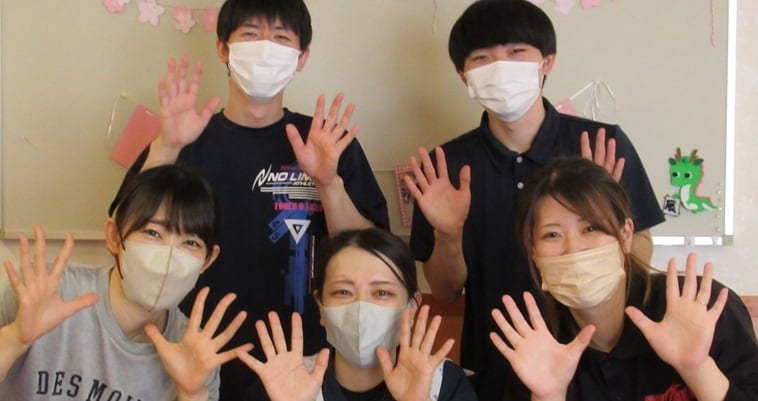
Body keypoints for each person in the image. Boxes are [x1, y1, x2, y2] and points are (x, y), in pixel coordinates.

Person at [109, 1, 389, 399]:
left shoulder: (326, 143)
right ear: (223, 48)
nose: (265, 48)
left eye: (281, 37)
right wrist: (166, 146)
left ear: (302, 57)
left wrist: (328, 184)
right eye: (251, 35)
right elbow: (122, 235)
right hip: (188, 354)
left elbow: (377, 257)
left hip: (304, 361)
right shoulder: (184, 137)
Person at [404, 1, 664, 399]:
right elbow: (444, 291)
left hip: (600, 359)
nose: (500, 67)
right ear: (464, 75)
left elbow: (641, 249)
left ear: (547, 62)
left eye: (516, 51)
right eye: (482, 58)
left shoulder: (600, 145)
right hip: (499, 363)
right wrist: (449, 234)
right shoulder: (445, 167)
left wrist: (603, 212)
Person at [490, 156, 758, 401]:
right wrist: (549, 396)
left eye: (590, 228)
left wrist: (698, 369)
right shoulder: (538, 347)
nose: (573, 249)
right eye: (552, 235)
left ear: (626, 234)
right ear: (533, 252)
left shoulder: (698, 310)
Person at [0, 165, 252, 401]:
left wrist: (192, 393)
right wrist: (15, 338)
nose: (169, 257)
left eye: (190, 243)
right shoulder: (44, 293)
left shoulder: (196, 353)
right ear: (114, 236)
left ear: (208, 260)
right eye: (153, 233)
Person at [239, 228, 478, 401]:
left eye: (382, 293)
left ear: (411, 307)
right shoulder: (281, 383)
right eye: (343, 292)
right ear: (321, 307)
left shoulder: (443, 382)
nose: (361, 308)